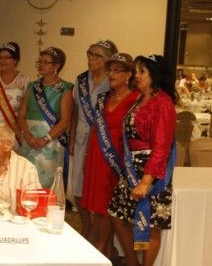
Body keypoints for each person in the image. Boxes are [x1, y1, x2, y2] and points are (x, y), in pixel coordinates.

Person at [108, 54, 176, 266]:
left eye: (142, 72)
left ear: (154, 75)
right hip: (131, 167)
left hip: (151, 171)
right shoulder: (140, 98)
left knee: (149, 222)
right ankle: (132, 262)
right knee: (118, 215)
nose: (137, 76)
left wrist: (146, 181)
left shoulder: (163, 102)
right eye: (137, 71)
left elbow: (162, 146)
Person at [81, 53, 139, 258]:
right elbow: (95, 128)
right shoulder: (104, 97)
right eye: (110, 70)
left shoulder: (137, 98)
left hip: (117, 159)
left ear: (129, 74)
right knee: (96, 207)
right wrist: (87, 153)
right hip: (97, 155)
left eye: (117, 70)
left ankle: (102, 248)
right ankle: (103, 249)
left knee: (109, 206)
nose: (111, 74)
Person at [70, 39, 118, 237]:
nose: (91, 58)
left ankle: (101, 233)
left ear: (108, 60)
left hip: (103, 143)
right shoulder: (81, 80)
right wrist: (72, 138)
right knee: (77, 186)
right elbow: (75, 110)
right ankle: (86, 225)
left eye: (97, 55)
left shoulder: (113, 81)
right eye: (89, 53)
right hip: (81, 139)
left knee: (100, 188)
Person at [18, 47, 73, 188]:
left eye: (46, 62)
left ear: (57, 66)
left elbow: (65, 120)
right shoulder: (32, 87)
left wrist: (45, 139)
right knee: (26, 179)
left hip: (51, 142)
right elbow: (21, 115)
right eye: (40, 62)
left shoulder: (65, 88)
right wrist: (27, 135)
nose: (41, 65)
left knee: (48, 182)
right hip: (29, 140)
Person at [0, 42, 28, 145]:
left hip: (13, 133)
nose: (2, 61)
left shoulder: (24, 81)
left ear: (15, 60)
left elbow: (24, 111)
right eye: (0, 57)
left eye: (7, 57)